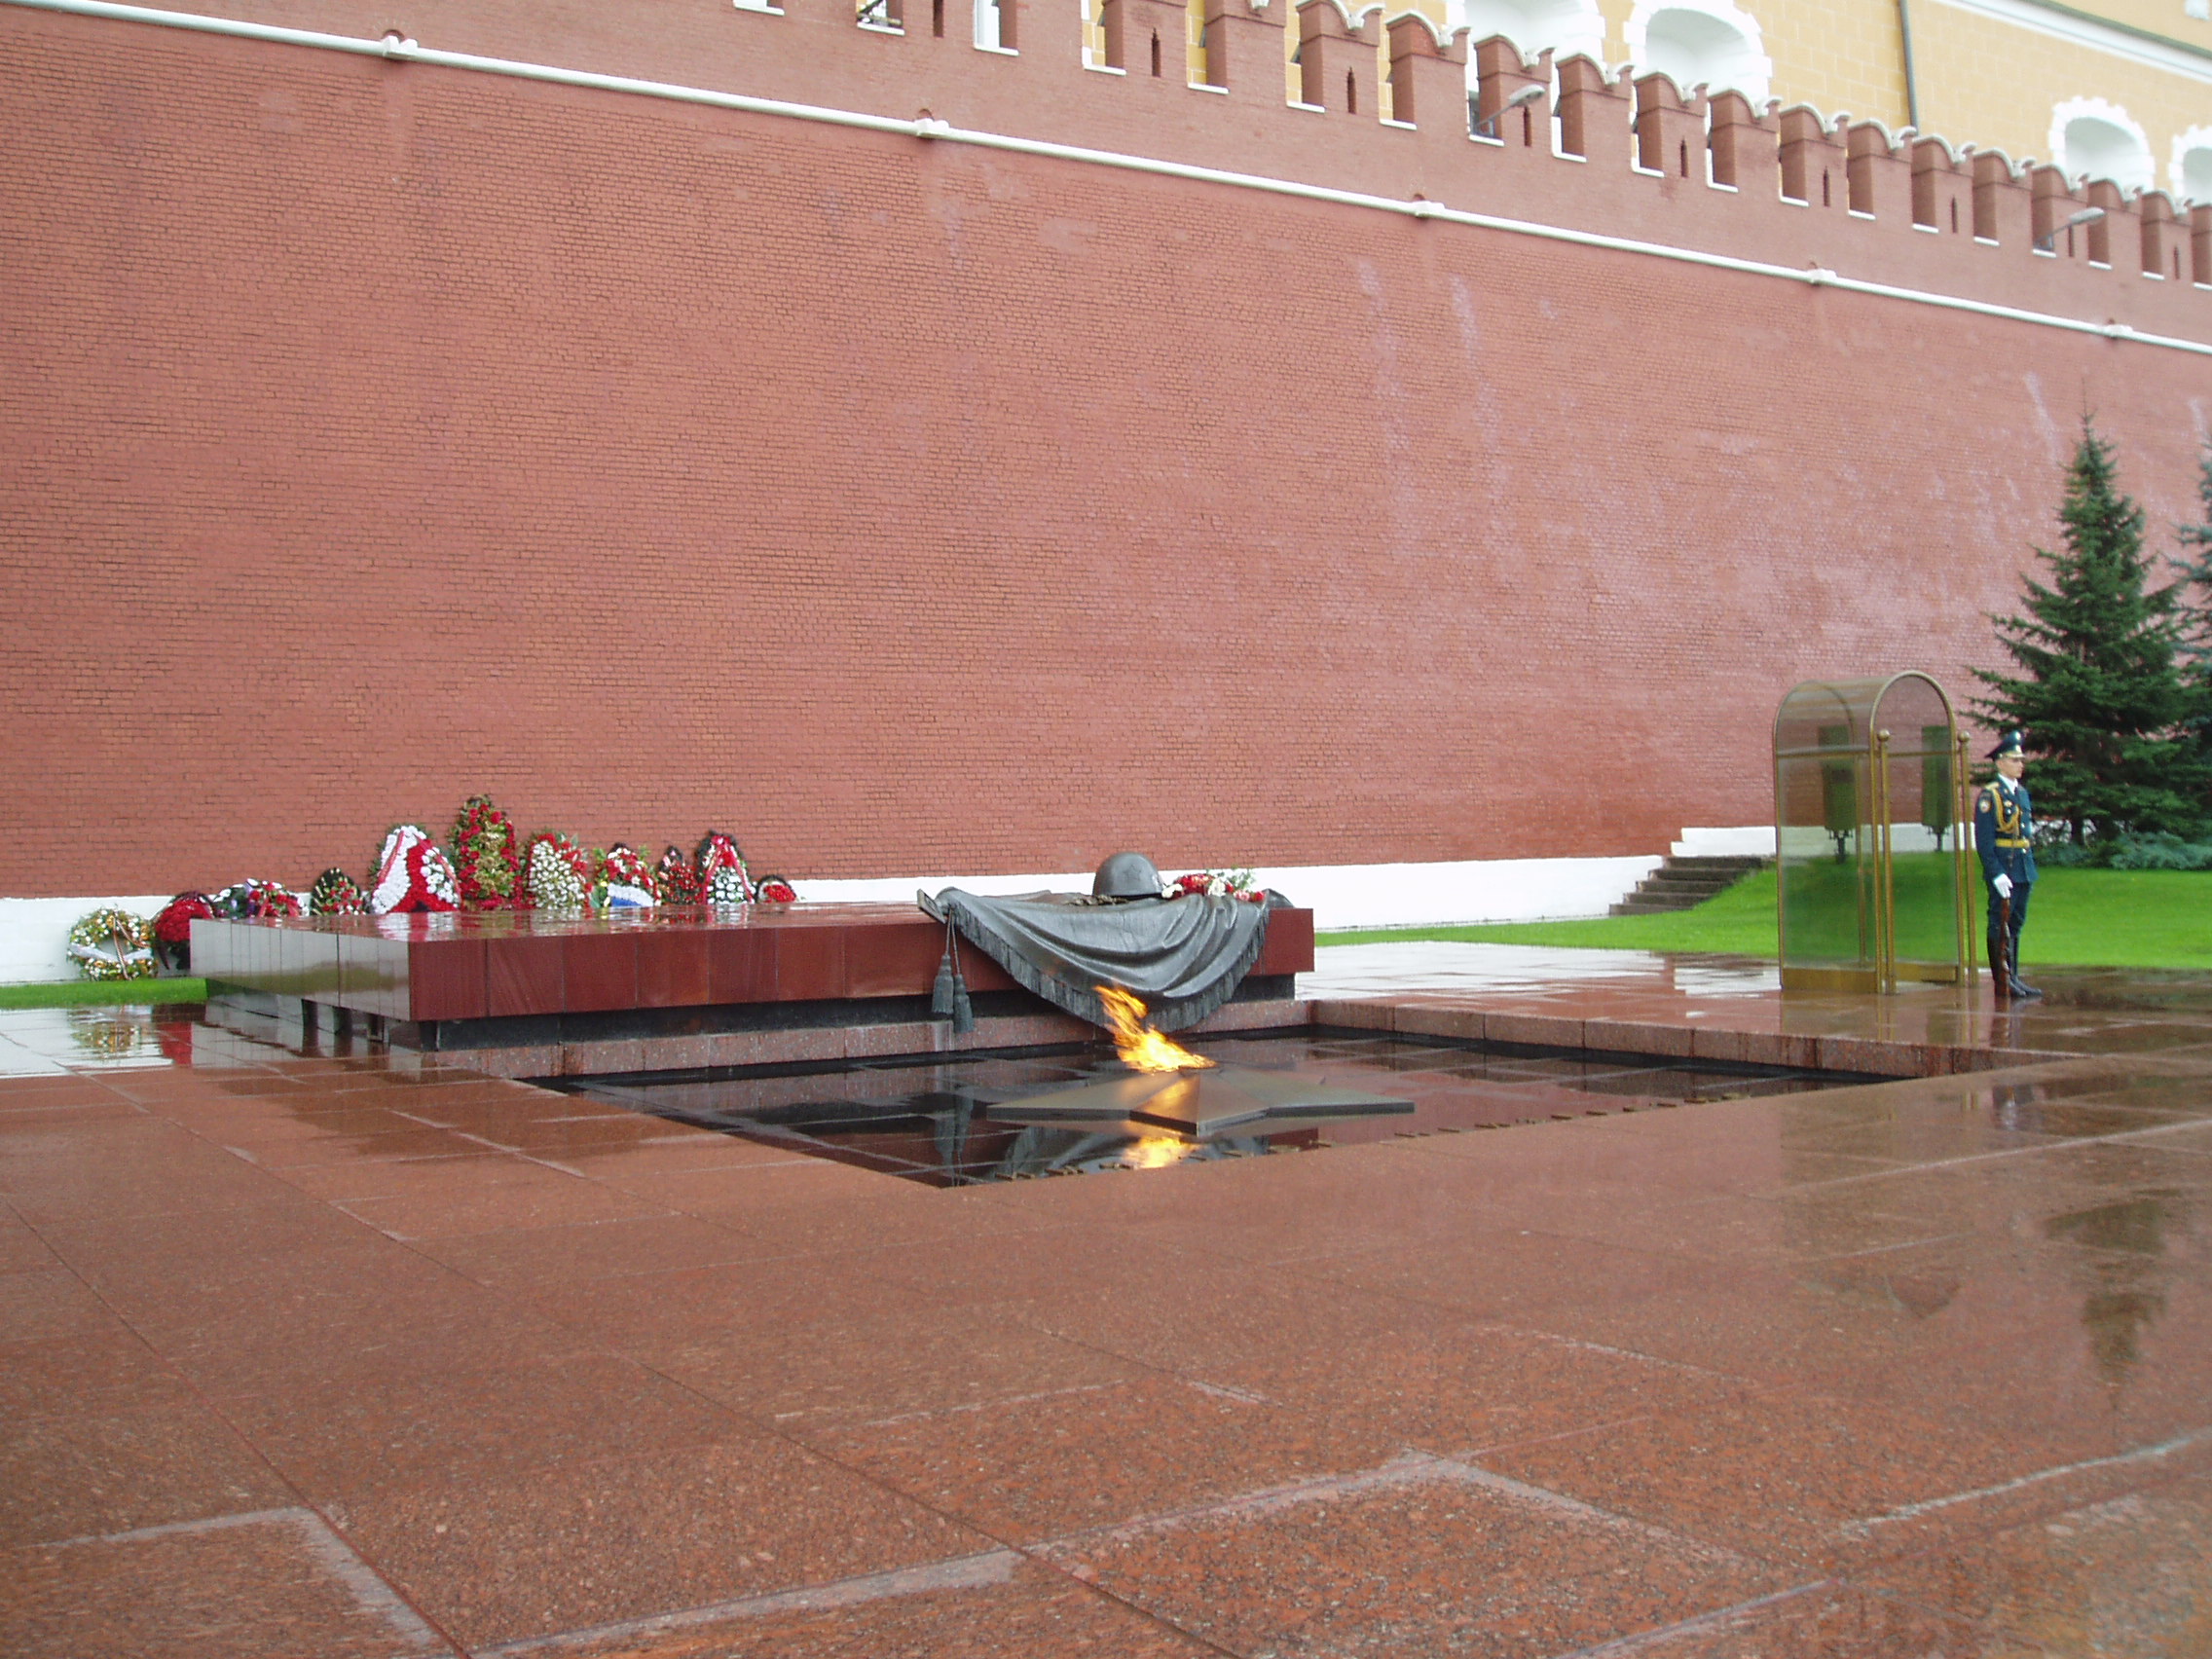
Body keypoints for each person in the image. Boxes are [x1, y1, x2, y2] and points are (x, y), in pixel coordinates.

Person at [1973, 730, 2040, 1000]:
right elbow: (1984, 841)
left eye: (2021, 760)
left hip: (2022, 866)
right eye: (2014, 760)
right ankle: (2002, 980)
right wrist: (1996, 873)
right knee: (1999, 922)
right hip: (2004, 868)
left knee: (2016, 922)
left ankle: (2013, 976)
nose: (2020, 764)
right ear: (2000, 763)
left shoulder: (2021, 793)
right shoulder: (1990, 796)